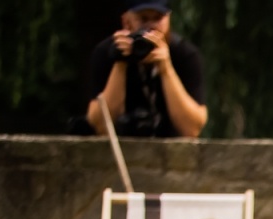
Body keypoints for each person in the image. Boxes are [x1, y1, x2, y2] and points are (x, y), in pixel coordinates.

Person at [87, 2, 207, 139]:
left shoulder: (185, 55)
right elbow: (100, 125)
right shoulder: (105, 53)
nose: (151, 27)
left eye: (158, 18)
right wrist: (120, 64)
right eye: (143, 19)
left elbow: (191, 129)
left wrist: (166, 70)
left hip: (173, 152)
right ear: (126, 21)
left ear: (169, 19)